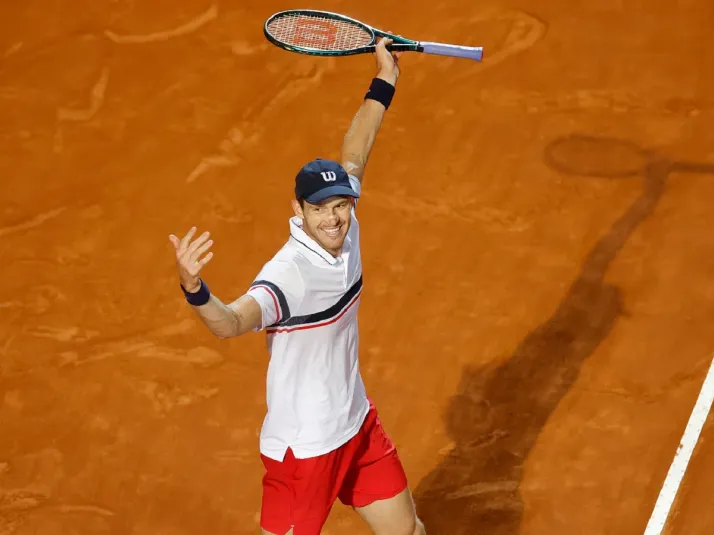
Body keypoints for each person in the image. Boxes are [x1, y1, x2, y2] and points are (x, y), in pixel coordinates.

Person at [168, 37, 425, 535]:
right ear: (298, 211)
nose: (334, 219)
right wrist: (195, 288)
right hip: (305, 450)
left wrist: (385, 79)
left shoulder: (346, 224)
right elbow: (233, 322)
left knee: (409, 531)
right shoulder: (288, 274)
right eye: (320, 209)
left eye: (340, 206)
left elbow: (356, 150)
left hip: (357, 425)